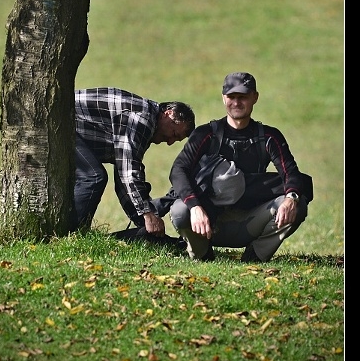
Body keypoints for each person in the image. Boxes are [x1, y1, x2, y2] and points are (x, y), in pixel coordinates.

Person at [153, 72, 309, 262]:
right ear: (223, 98)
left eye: (243, 97)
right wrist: (195, 207)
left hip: (250, 222)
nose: (236, 102)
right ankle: (202, 254)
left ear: (255, 97)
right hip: (207, 222)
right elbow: (178, 170)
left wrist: (291, 198)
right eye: (231, 97)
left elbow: (290, 173)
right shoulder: (206, 134)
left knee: (297, 205)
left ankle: (255, 256)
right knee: (180, 210)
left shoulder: (269, 137)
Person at [71, 87, 195, 235]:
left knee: (95, 176)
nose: (170, 142)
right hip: (60, 124)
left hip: (71, 128)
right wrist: (148, 214)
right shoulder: (142, 118)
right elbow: (128, 171)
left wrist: (142, 221)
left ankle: (73, 233)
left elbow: (123, 177)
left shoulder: (147, 124)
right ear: (168, 114)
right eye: (174, 134)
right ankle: (70, 235)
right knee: (93, 177)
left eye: (176, 140)